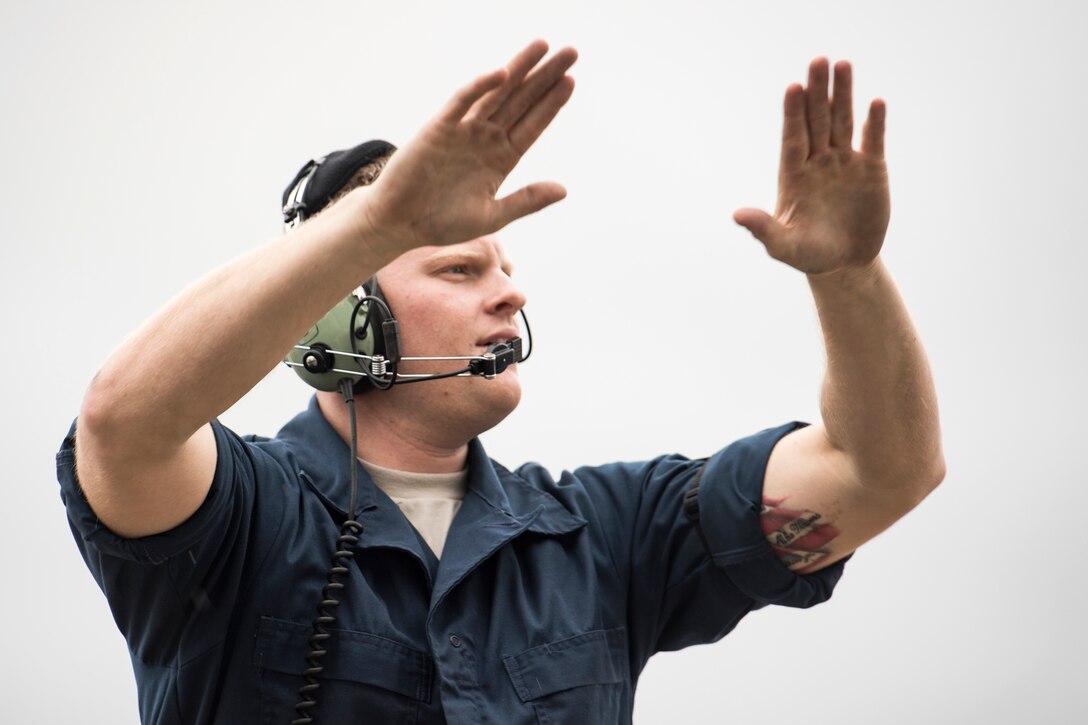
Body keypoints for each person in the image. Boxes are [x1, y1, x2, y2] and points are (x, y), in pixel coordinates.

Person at [56, 40, 944, 724]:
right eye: (458, 269)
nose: (511, 292)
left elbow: (882, 472)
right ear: (341, 320)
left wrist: (851, 276)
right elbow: (123, 420)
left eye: (506, 268)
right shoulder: (240, 509)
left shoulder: (604, 536)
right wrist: (378, 221)